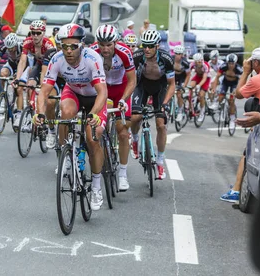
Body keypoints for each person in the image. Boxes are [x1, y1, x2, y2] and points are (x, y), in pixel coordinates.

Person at [34, 23, 108, 210]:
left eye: (73, 46)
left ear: (81, 45)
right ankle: (65, 153)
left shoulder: (93, 58)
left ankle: (97, 186)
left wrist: (93, 114)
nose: (68, 50)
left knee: (93, 137)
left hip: (94, 97)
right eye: (64, 46)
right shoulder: (57, 59)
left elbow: (102, 92)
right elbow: (44, 92)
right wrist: (40, 113)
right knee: (65, 113)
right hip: (73, 92)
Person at [219, 46, 260, 203]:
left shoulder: (256, 79)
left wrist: (245, 72)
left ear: (256, 63)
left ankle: (236, 190)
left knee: (247, 155)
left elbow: (238, 94)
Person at [90, 24, 137, 190]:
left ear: (115, 42)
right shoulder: (91, 51)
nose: (105, 48)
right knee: (94, 128)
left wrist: (124, 99)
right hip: (100, 89)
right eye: (102, 44)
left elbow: (132, 80)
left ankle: (123, 174)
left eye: (109, 45)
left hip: (120, 90)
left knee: (123, 132)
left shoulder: (125, 52)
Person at [131, 29, 176, 180]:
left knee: (160, 124)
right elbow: (130, 78)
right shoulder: (137, 56)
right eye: (144, 45)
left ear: (157, 46)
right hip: (142, 85)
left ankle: (160, 160)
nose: (147, 49)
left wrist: (164, 103)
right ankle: (135, 140)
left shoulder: (166, 58)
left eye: (150, 46)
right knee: (135, 117)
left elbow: (171, 84)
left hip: (160, 88)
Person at [14, 20, 55, 120]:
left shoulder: (48, 45)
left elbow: (50, 65)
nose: (35, 35)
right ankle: (31, 112)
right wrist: (17, 79)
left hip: (50, 67)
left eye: (38, 33)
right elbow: (22, 61)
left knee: (44, 89)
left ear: (43, 33)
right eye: (33, 33)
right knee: (30, 84)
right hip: (38, 65)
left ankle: (44, 112)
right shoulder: (28, 42)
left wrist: (43, 84)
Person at [210, 54, 243, 131]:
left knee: (231, 100)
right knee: (221, 96)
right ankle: (218, 105)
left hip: (234, 84)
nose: (231, 65)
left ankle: (232, 119)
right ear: (227, 63)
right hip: (225, 82)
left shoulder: (238, 69)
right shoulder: (223, 66)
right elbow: (217, 77)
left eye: (232, 63)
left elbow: (242, 81)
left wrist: (237, 91)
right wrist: (214, 89)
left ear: (235, 63)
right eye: (229, 63)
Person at [186, 52, 210, 123]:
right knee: (190, 86)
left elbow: (204, 78)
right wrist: (186, 84)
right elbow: (188, 74)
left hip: (205, 79)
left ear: (201, 60)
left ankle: (202, 111)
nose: (198, 63)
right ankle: (191, 103)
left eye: (199, 61)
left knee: (201, 95)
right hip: (197, 77)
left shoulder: (205, 65)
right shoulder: (192, 64)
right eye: (196, 62)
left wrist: (199, 85)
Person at [172, 45, 190, 123]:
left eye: (180, 54)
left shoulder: (185, 63)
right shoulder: (170, 60)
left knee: (179, 94)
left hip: (181, 78)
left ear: (182, 55)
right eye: (177, 53)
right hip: (173, 76)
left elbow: (188, 75)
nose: (178, 56)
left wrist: (184, 85)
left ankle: (180, 110)